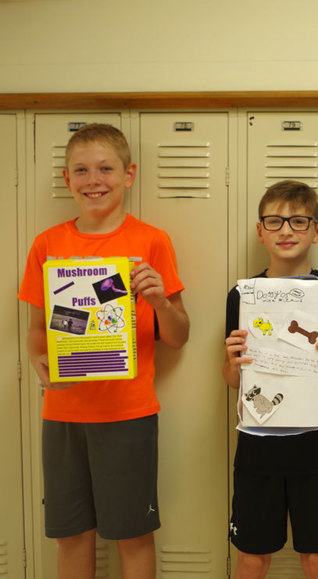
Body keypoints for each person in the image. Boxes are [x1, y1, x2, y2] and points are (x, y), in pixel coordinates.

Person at [18, 123, 190, 578]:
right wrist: (39, 362)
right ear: (67, 178)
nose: (93, 180)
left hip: (128, 413)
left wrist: (159, 302)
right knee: (72, 535)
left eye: (105, 169)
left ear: (128, 175)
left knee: (133, 534)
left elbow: (178, 337)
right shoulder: (47, 245)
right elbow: (36, 331)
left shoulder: (152, 241)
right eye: (81, 170)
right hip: (63, 414)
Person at [223, 180, 318, 579]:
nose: (286, 230)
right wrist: (233, 361)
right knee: (252, 558)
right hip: (257, 447)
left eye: (299, 221)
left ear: (316, 231)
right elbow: (231, 379)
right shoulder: (242, 295)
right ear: (260, 231)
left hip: (316, 449)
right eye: (275, 221)